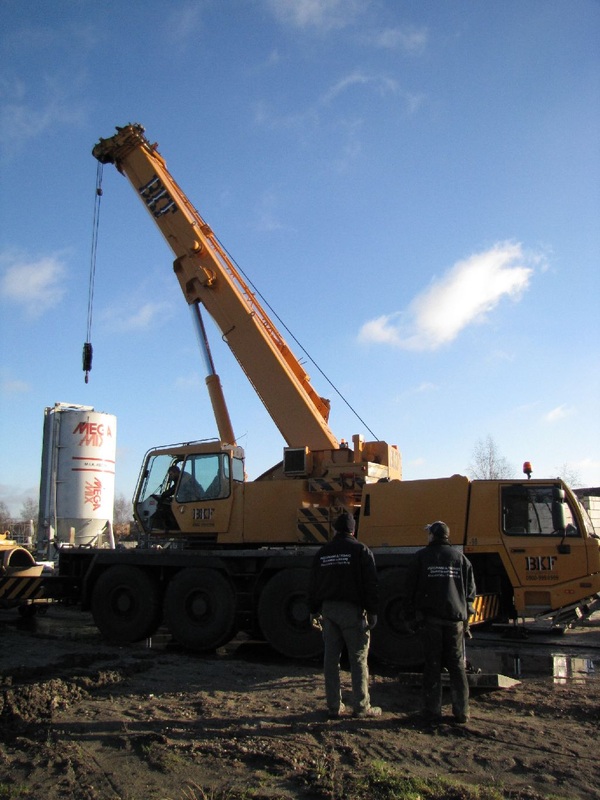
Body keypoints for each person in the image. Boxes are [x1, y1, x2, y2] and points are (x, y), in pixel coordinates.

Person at [309, 511, 381, 719]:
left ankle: (333, 706)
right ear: (353, 530)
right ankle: (361, 707)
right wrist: (373, 611)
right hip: (353, 611)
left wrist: (313, 610)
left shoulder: (323, 553)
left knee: (331, 659)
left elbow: (313, 584)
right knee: (358, 659)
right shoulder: (361, 551)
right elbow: (371, 584)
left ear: (334, 530)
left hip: (329, 611)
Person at [404, 520, 476, 726]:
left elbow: (410, 589)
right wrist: (466, 619)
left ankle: (432, 711)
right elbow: (470, 593)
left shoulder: (421, 557)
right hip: (455, 621)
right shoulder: (461, 559)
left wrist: (410, 617)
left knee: (432, 665)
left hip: (431, 620)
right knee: (457, 666)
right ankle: (462, 712)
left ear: (433, 535)